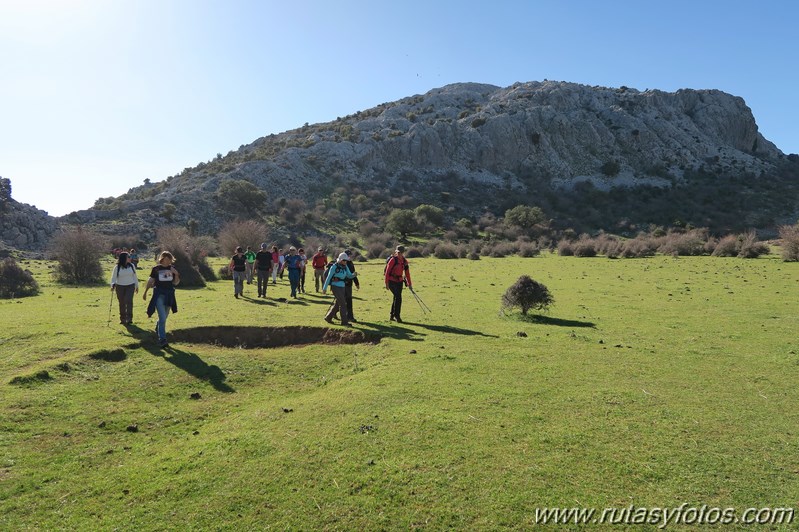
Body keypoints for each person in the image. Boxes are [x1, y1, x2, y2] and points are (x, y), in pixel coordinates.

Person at [143, 251, 180, 347]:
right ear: (162, 259)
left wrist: (176, 274)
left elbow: (176, 283)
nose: (168, 261)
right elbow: (151, 280)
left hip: (169, 295)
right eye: (166, 259)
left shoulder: (172, 269)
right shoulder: (156, 269)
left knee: (165, 317)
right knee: (162, 317)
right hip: (159, 295)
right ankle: (162, 339)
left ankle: (158, 327)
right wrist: (145, 292)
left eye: (170, 260)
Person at [322, 252, 357, 326]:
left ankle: (328, 317)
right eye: (344, 260)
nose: (345, 262)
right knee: (343, 304)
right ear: (340, 260)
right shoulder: (334, 267)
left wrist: (354, 275)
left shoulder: (345, 266)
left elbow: (349, 275)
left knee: (338, 304)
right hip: (335, 287)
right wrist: (324, 288)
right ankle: (344, 322)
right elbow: (328, 277)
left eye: (346, 260)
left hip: (342, 287)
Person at [329, 249, 360, 323]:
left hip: (348, 284)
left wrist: (356, 283)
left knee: (346, 301)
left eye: (350, 255)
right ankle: (347, 317)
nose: (349, 257)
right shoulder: (341, 264)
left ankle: (347, 316)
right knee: (343, 302)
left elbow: (352, 274)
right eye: (348, 255)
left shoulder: (350, 263)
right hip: (342, 285)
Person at [385, 245, 412, 323]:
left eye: (400, 252)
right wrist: (386, 283)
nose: (398, 254)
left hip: (399, 281)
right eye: (397, 252)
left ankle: (392, 315)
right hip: (391, 281)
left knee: (396, 298)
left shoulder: (404, 261)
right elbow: (387, 272)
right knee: (398, 298)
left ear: (403, 253)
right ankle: (397, 316)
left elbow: (407, 273)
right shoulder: (393, 260)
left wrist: (409, 284)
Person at [110, 251, 139, 324]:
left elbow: (135, 276)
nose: (130, 258)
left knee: (128, 301)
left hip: (130, 286)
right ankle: (122, 319)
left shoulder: (132, 266)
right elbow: (113, 278)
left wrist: (136, 286)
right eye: (128, 257)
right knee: (122, 302)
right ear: (124, 258)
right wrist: (112, 285)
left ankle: (129, 318)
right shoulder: (117, 267)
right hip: (120, 286)